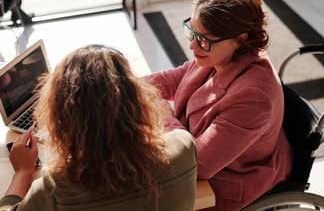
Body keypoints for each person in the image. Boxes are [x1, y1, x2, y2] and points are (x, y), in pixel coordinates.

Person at [0, 45, 197, 211]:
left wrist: (23, 172)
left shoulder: (55, 189)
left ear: (63, 118)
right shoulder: (184, 146)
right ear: (137, 100)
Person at [144, 0, 293, 210]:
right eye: (192, 32)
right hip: (199, 157)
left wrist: (163, 114)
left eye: (203, 39)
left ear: (240, 40)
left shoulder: (254, 98)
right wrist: (120, 85)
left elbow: (197, 164)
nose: (192, 45)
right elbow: (171, 80)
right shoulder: (218, 55)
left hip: (225, 184)